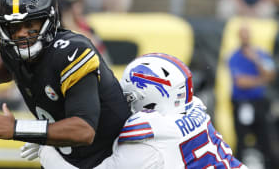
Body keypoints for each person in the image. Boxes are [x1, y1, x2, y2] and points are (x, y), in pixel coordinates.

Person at [0, 0, 131, 169]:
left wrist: (17, 128)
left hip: (115, 157)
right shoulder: (14, 50)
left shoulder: (72, 52)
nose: (21, 34)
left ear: (49, 21)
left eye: (30, 25)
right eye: (14, 27)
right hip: (72, 158)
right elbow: (6, 58)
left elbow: (83, 130)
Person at [20, 53, 247, 169]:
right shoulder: (194, 108)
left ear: (147, 98)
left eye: (129, 98)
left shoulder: (148, 139)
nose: (124, 103)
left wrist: (47, 147)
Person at [228, 24, 275, 168]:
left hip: (258, 102)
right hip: (241, 102)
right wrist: (262, 80)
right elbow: (241, 82)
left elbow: (271, 73)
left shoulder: (260, 54)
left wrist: (256, 59)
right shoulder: (234, 57)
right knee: (241, 139)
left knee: (265, 137)